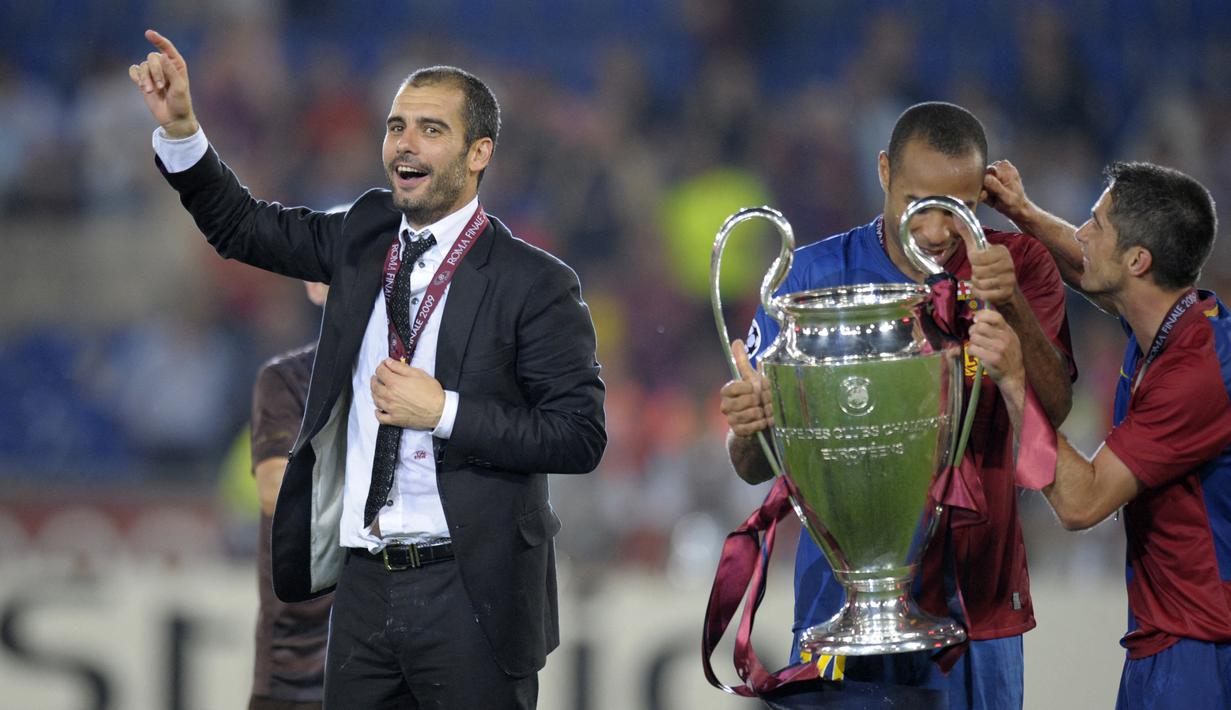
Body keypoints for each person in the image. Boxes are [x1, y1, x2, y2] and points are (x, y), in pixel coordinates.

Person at [129, 30, 606, 709]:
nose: (405, 143)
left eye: (431, 129)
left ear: (478, 154)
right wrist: (183, 131)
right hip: (361, 589)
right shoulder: (363, 235)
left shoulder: (535, 283)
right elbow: (242, 228)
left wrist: (441, 411)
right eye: (396, 126)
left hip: (471, 590)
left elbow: (579, 434)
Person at [720, 102, 1075, 708]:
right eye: (919, 203)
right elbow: (753, 465)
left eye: (957, 209)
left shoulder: (1019, 267)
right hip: (840, 607)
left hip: (974, 601)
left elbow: (1054, 408)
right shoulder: (808, 279)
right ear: (883, 171)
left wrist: (1012, 305)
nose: (936, 229)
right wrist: (750, 426)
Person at [982, 159, 1231, 709]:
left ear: (1139, 261)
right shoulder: (1170, 323)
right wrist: (1021, 212)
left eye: (1096, 222)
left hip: (1202, 651)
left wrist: (1016, 380)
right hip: (1164, 639)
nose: (1081, 233)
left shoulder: (1196, 375)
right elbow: (1087, 263)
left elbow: (1081, 501)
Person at [249, 282, 332, 710]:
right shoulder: (288, 379)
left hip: (393, 661)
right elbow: (275, 492)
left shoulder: (422, 384)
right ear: (317, 287)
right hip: (299, 666)